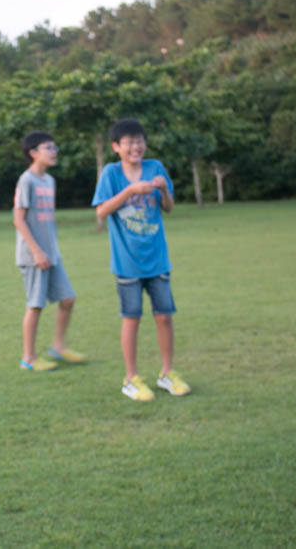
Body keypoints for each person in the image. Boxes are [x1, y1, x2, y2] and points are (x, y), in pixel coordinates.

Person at [91, 118, 191, 401]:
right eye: (129, 142)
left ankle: (167, 374)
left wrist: (162, 190)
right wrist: (130, 191)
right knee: (131, 318)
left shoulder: (155, 168)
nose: (136, 147)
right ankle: (131, 378)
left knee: (164, 317)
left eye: (140, 141)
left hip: (157, 258)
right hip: (127, 262)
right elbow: (101, 211)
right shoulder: (111, 173)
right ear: (116, 147)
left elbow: (169, 208)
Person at [13, 131, 86, 371]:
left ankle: (57, 346)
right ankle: (29, 359)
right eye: (48, 148)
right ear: (33, 153)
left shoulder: (49, 181)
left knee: (67, 299)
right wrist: (36, 251)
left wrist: (50, 251)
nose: (54, 152)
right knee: (35, 305)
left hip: (51, 254)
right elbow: (19, 220)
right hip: (34, 256)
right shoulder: (27, 180)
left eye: (55, 147)